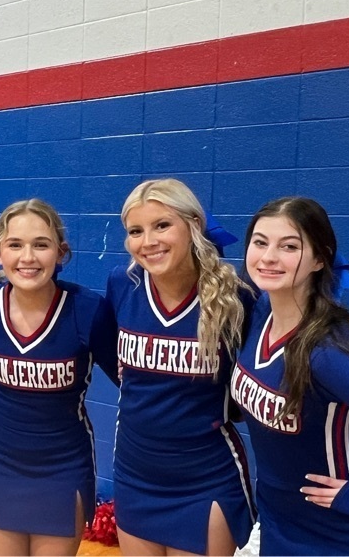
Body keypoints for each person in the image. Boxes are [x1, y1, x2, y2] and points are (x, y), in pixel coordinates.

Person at [107, 178, 256, 556]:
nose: (148, 241)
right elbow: (114, 362)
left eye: (162, 225)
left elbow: (279, 366)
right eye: (135, 231)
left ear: (193, 225)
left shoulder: (236, 296)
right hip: (135, 473)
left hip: (205, 479)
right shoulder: (122, 285)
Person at [233, 196, 349, 555]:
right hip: (277, 522)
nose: (269, 256)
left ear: (320, 259)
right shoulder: (260, 312)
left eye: (289, 246)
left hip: (337, 536)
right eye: (260, 242)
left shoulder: (326, 350)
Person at [0, 199, 119, 556]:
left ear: (60, 252)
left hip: (62, 469)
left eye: (41, 244)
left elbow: (134, 382)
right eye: (15, 245)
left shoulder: (87, 309)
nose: (28, 257)